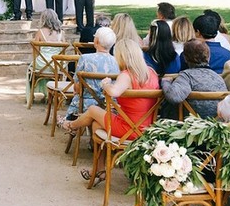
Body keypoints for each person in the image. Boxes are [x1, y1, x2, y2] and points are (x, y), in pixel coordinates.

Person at [60, 39, 160, 184]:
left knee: (93, 110)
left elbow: (114, 91)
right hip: (146, 127)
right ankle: (99, 171)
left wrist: (106, 84)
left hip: (128, 128)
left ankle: (71, 126)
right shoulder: (151, 73)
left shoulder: (126, 75)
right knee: (95, 125)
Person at [62, 27, 119, 122]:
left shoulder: (85, 58)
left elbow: (77, 87)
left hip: (86, 103)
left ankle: (72, 123)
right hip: (109, 104)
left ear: (96, 41)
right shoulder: (117, 61)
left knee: (77, 94)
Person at [160, 39, 227, 119]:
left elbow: (174, 96)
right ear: (208, 57)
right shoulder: (218, 77)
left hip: (192, 124)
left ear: (185, 58)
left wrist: (165, 82)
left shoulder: (187, 76)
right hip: (215, 124)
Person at [26, 9, 64, 103]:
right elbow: (63, 52)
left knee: (30, 69)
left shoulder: (40, 32)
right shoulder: (61, 33)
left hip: (42, 63)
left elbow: (36, 51)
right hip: (57, 64)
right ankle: (51, 94)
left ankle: (31, 96)